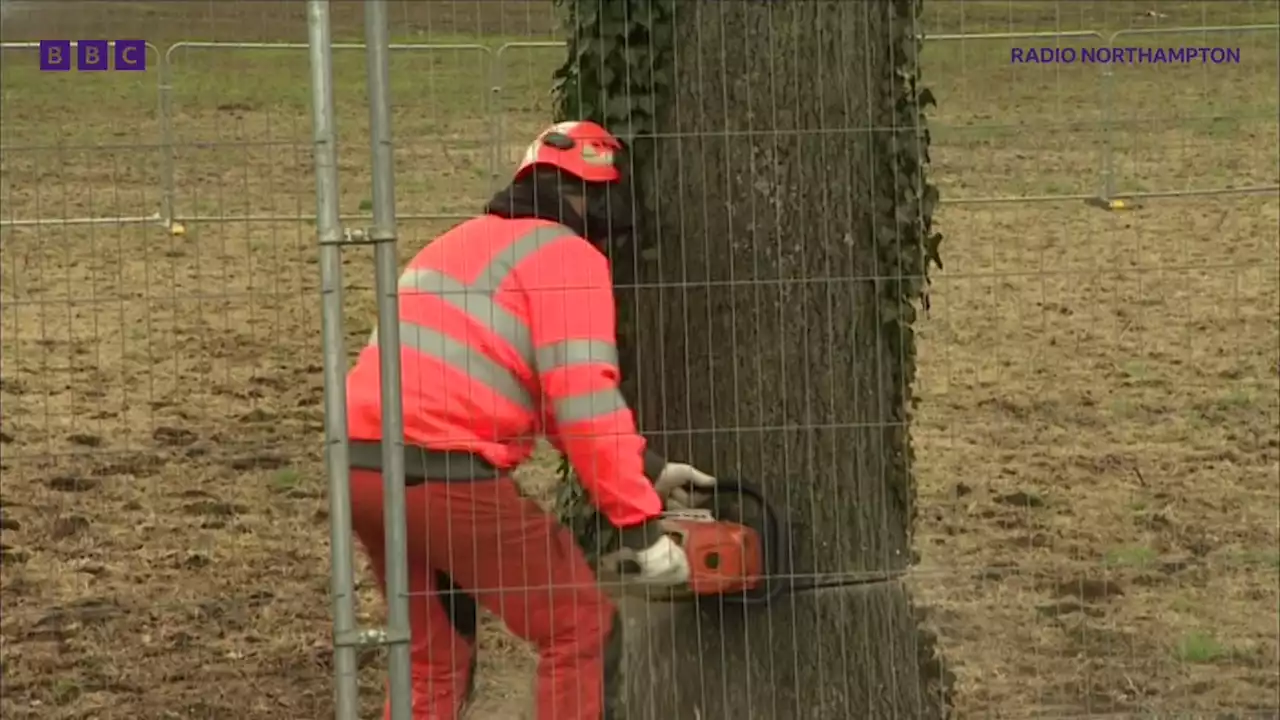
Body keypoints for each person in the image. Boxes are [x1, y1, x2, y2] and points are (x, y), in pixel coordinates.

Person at [344, 120, 718, 720]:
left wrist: (651, 468)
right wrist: (642, 529)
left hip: (359, 470)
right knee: (580, 625)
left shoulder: (458, 242)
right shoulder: (566, 256)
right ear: (595, 199)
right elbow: (583, 401)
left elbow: (518, 385)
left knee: (430, 655)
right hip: (445, 476)